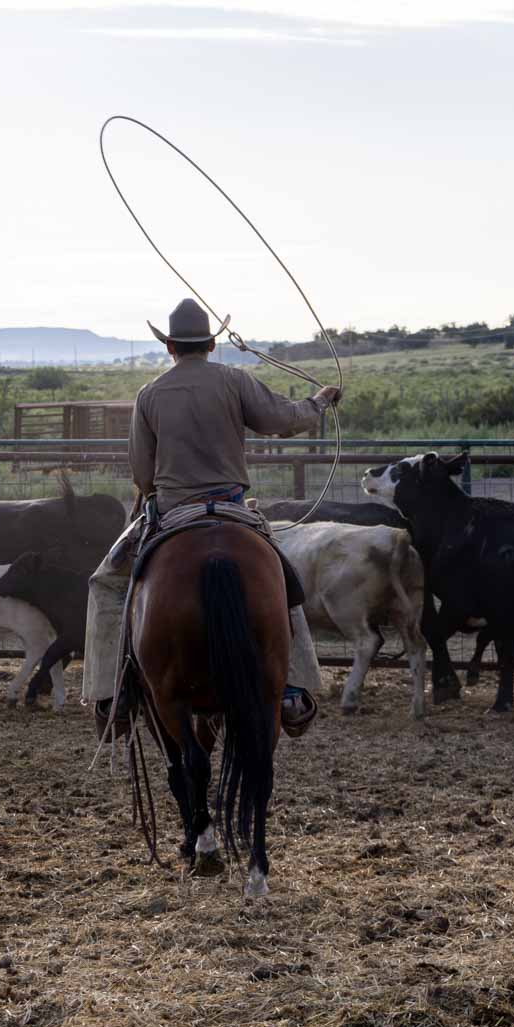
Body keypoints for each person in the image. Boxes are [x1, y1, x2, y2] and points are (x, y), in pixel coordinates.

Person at [83, 298, 342, 737]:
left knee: (106, 583)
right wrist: (318, 402)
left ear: (169, 346)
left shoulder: (149, 394)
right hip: (232, 508)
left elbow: (143, 474)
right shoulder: (234, 381)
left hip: (172, 511)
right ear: (211, 343)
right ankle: (294, 688)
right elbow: (282, 419)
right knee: (283, 581)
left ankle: (112, 696)